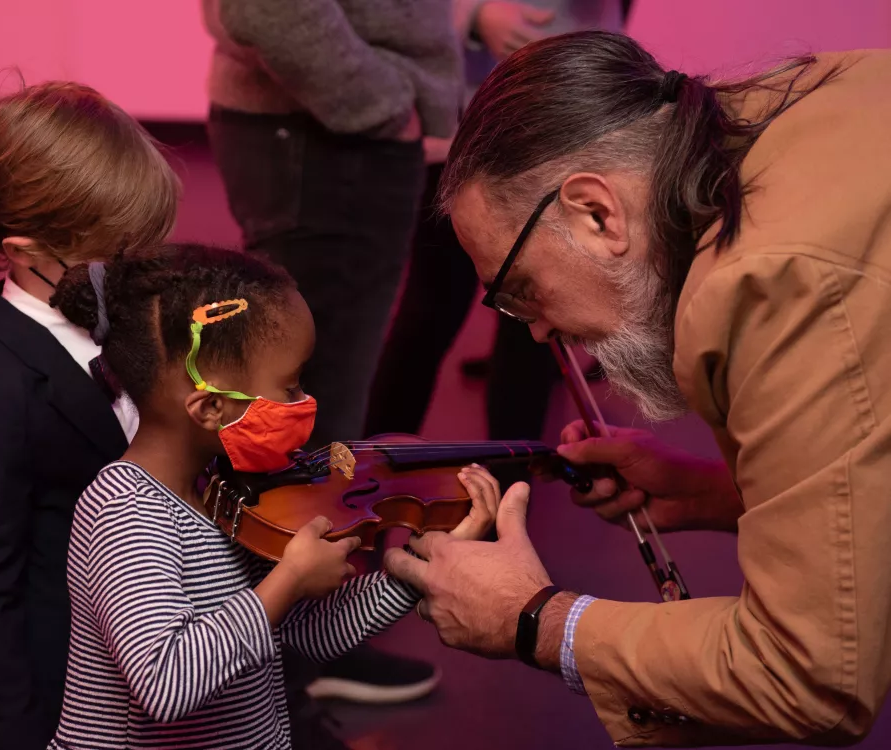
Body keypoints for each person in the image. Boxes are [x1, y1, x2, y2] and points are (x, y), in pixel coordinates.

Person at [385, 31, 891, 745]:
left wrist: (535, 620)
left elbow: (811, 676)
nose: (538, 331)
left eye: (520, 290)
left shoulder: (769, 284)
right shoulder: (801, 101)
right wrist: (713, 494)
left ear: (597, 213)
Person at [45, 243, 503, 749]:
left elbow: (308, 631)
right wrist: (288, 580)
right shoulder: (126, 510)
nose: (305, 401)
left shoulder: (221, 488)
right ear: (210, 408)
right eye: (290, 387)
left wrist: (424, 566)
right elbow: (164, 682)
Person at [201, 0, 460, 710]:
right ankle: (283, 666)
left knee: (313, 410)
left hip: (327, 134)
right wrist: (380, 103)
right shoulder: (352, 115)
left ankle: (289, 649)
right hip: (328, 137)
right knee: (305, 417)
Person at [0, 82, 180, 749]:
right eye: (112, 255)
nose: (132, 272)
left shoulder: (120, 324)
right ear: (20, 249)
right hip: (70, 699)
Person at [365, 0, 626, 448]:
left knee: (535, 321)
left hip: (562, 124)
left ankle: (514, 477)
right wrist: (475, 14)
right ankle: (372, 466)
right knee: (431, 309)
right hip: (465, 124)